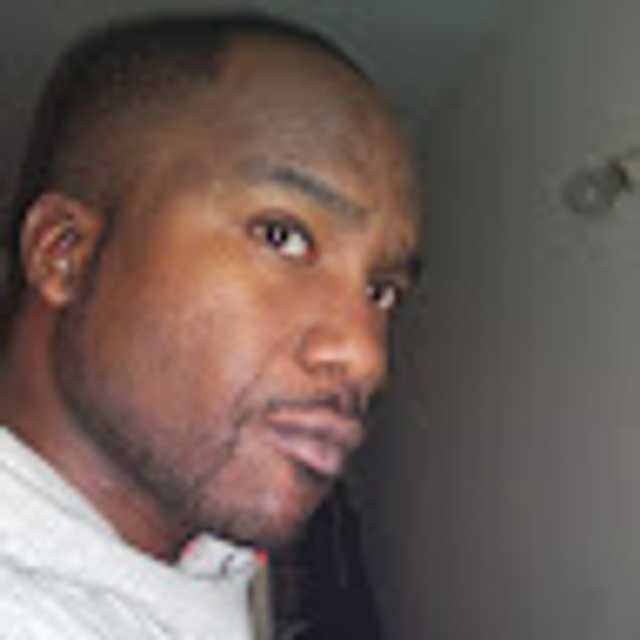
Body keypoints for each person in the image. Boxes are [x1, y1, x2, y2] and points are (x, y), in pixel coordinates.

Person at [0, 12, 421, 640]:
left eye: (381, 292)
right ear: (65, 255)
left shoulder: (206, 555)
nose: (365, 355)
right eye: (281, 236)